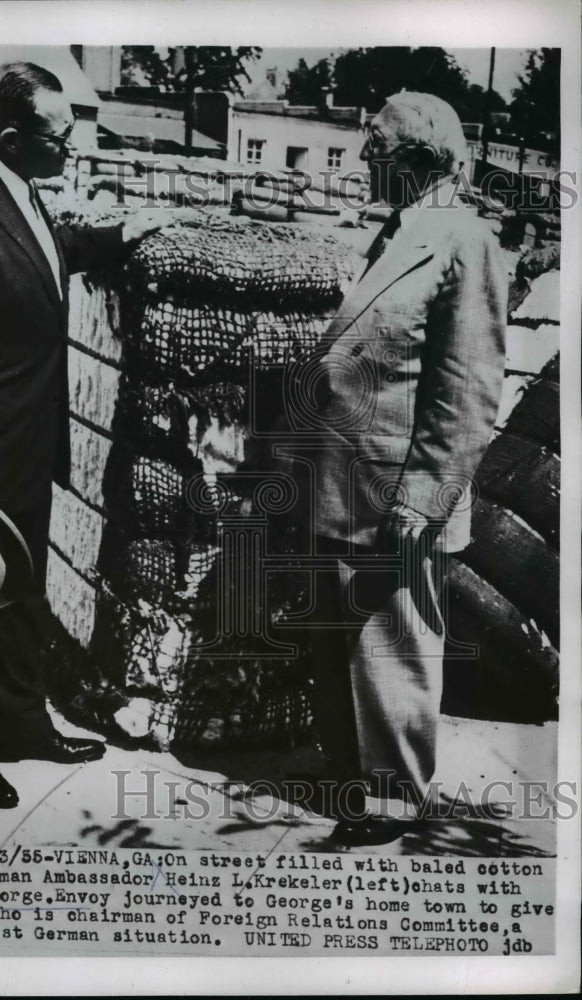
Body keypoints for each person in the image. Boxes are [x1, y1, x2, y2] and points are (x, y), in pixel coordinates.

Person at [0, 61, 168, 809]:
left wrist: (119, 234)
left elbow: (45, 252)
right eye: (60, 137)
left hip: (20, 437)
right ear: (13, 137)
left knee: (18, 591)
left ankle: (19, 723)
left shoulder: (11, 181)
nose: (73, 148)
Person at [297, 91, 507, 845]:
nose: (363, 160)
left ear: (417, 159)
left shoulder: (464, 239)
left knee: (394, 643)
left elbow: (469, 388)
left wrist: (426, 495)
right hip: (347, 477)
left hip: (400, 489)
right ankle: (352, 776)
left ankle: (391, 798)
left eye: (375, 149)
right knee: (348, 639)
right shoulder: (400, 229)